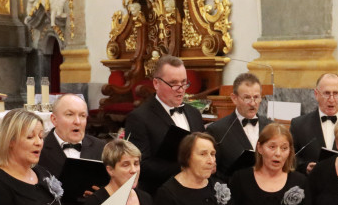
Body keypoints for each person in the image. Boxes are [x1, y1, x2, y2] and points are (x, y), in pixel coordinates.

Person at [125, 55, 206, 193]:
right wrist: (185, 167)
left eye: (184, 82)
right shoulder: (139, 117)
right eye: (174, 83)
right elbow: (140, 164)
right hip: (161, 192)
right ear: (156, 83)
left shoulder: (194, 113)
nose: (180, 89)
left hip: (196, 190)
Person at [290, 73, 338, 175]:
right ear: (316, 94)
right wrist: (305, 167)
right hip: (312, 186)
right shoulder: (299, 125)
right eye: (326, 93)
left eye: (336, 93)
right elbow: (291, 157)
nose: (331, 99)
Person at [205, 72, 271, 179]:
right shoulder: (217, 130)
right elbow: (213, 174)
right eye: (247, 98)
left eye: (256, 97)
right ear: (234, 98)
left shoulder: (271, 127)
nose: (253, 103)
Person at [39, 93, 105, 177]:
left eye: (82, 115)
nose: (77, 121)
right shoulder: (39, 148)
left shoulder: (100, 147)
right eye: (69, 114)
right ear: (54, 120)